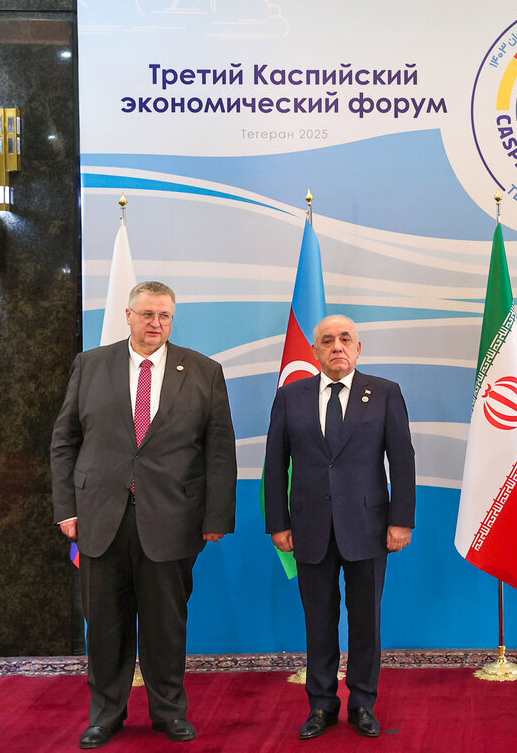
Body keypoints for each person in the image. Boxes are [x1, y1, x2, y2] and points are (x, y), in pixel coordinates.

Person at [51, 281, 237, 749]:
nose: (156, 323)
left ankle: (169, 713)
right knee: (105, 626)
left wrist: (217, 517)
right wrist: (66, 509)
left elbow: (219, 450)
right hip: (100, 519)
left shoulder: (204, 371)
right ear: (129, 316)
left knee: (165, 627)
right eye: (148, 314)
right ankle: (105, 716)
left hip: (173, 519)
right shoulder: (90, 365)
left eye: (165, 316)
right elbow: (65, 441)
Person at [263, 314, 416, 740]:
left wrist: (401, 520)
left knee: (366, 621)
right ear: (314, 351)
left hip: (369, 527)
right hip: (309, 527)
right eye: (327, 340)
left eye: (345, 339)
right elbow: (274, 464)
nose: (337, 347)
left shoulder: (385, 392)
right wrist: (278, 523)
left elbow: (402, 460)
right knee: (319, 621)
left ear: (358, 348)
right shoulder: (290, 397)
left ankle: (363, 703)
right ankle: (322, 705)